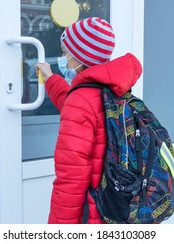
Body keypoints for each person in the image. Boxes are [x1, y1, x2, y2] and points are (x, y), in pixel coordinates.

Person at [36, 17, 142, 224]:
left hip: (94, 212)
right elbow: (74, 104)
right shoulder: (115, 90)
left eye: (66, 53)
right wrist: (51, 78)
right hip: (118, 204)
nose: (64, 59)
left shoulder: (82, 100)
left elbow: (71, 179)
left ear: (81, 57)